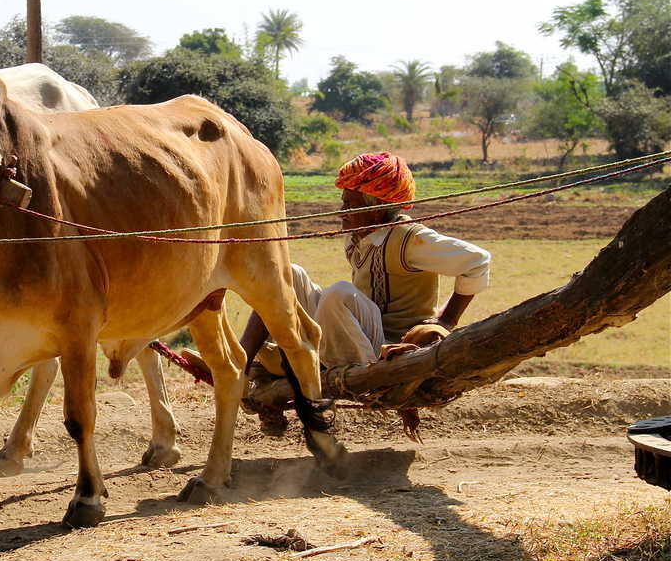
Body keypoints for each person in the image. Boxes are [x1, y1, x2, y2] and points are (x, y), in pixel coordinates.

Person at [184, 152, 491, 439]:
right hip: (358, 327)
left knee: (339, 294)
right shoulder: (358, 237)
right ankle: (239, 362)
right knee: (286, 275)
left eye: (349, 202)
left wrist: (447, 320)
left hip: (387, 343)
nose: (342, 210)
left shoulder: (411, 240)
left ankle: (356, 371)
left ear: (375, 206)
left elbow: (477, 260)